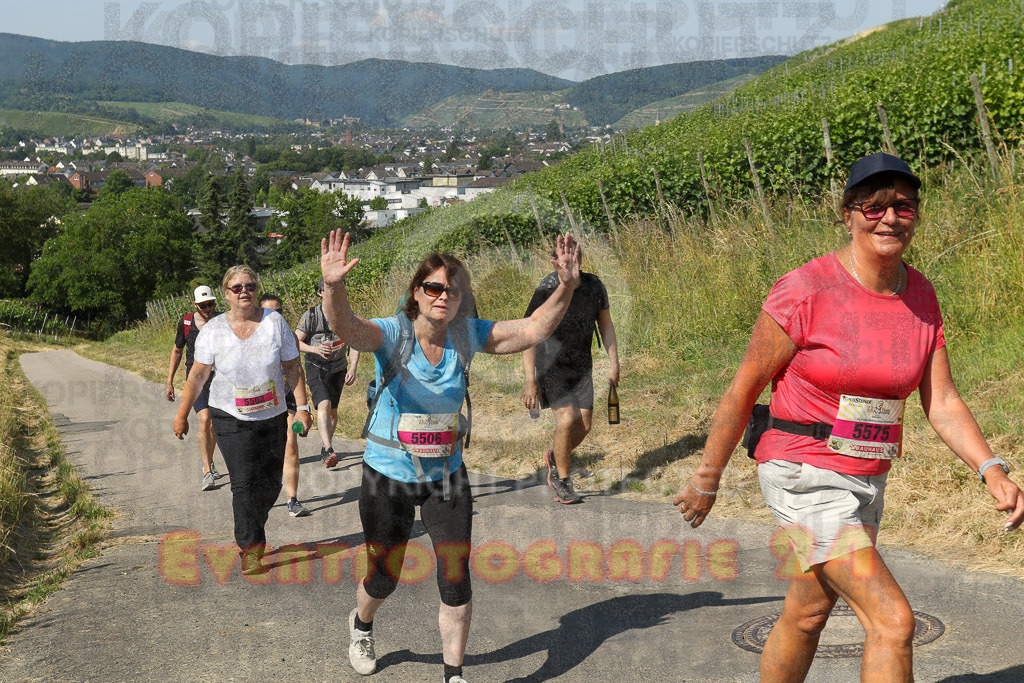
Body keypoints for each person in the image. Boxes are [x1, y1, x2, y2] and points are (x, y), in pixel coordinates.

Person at [673, 153, 1024, 682]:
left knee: (809, 611)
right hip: (803, 472)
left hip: (866, 473)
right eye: (874, 206)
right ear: (848, 213)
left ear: (917, 215)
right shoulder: (805, 289)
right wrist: (707, 476)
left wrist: (991, 468)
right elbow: (743, 388)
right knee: (893, 621)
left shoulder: (922, 294)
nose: (889, 218)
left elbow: (943, 400)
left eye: (903, 207)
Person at [320, 230, 581, 683]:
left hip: (447, 476)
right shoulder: (394, 332)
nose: (444, 296)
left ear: (462, 300)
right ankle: (362, 623)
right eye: (434, 287)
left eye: (453, 290)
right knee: (385, 576)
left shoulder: (466, 335)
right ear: (417, 294)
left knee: (455, 577)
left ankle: (453, 674)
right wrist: (333, 286)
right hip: (388, 477)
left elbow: (534, 329)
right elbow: (346, 328)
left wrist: (567, 285)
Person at [173, 267, 312, 574]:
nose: (244, 291)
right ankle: (250, 547)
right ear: (226, 293)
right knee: (244, 483)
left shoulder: (274, 323)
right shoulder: (213, 331)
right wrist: (182, 413)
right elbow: (197, 375)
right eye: (236, 288)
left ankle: (253, 524)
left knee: (270, 483)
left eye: (250, 286)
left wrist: (302, 407)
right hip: (229, 417)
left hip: (272, 415)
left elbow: (292, 368)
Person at [522, 246, 619, 504]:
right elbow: (528, 333)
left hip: (581, 365)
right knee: (566, 421)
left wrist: (614, 363)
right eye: (564, 259)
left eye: (574, 258)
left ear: (581, 259)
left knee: (583, 426)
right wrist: (530, 380)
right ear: (555, 262)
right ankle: (562, 481)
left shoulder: (594, 286)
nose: (569, 263)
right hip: (550, 365)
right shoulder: (547, 287)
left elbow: (606, 325)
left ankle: (556, 456)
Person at [295, 277, 360, 468]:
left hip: (338, 368)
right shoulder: (311, 316)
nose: (334, 294)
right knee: (323, 404)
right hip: (316, 367)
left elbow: (355, 342)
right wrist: (315, 349)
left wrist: (353, 366)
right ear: (321, 292)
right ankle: (329, 448)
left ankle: (325, 449)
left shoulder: (347, 315)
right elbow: (295, 341)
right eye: (329, 290)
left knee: (332, 411)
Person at [165, 284, 223, 491]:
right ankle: (207, 471)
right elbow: (177, 351)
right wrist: (170, 380)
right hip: (196, 380)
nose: (208, 309)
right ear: (195, 305)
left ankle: (211, 460)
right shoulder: (187, 322)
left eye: (210, 304)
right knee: (204, 418)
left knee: (214, 423)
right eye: (203, 305)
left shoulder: (223, 320)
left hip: (220, 379)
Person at [259, 293, 312, 518]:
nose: (275, 316)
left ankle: (292, 499)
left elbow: (296, 371)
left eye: (279, 312)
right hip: (259, 399)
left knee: (291, 441)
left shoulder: (289, 335)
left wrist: (304, 409)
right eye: (269, 312)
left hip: (286, 396)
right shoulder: (248, 337)